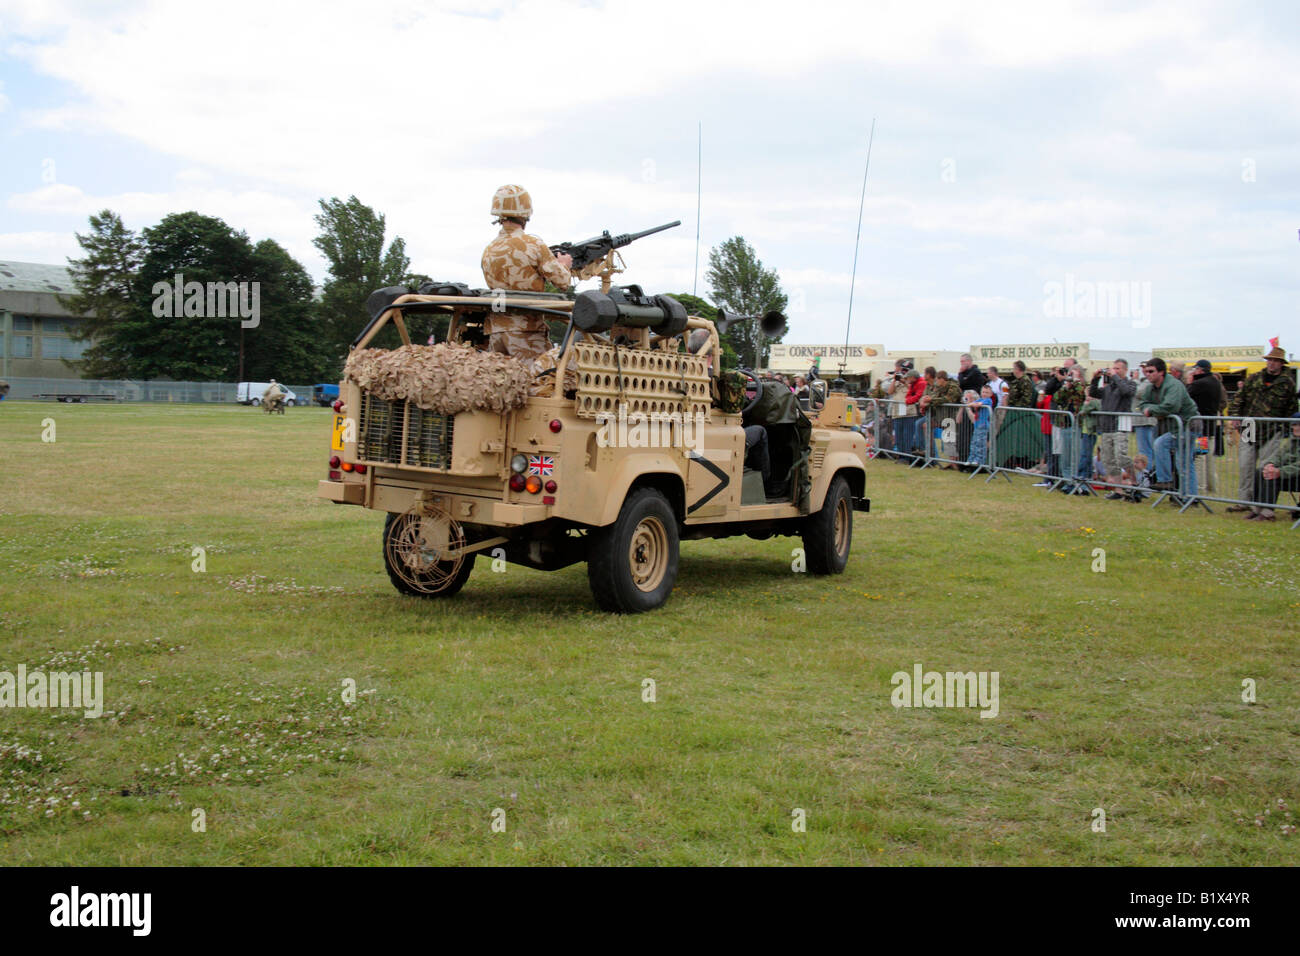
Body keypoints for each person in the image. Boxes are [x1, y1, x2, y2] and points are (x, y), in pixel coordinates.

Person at [480, 184, 573, 363]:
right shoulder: (533, 244)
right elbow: (563, 281)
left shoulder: (489, 249)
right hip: (526, 331)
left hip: (495, 330)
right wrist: (564, 264)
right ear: (525, 213)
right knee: (538, 384)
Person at [1227, 341, 1297, 511]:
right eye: (1269, 360)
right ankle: (1244, 501)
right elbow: (1238, 398)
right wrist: (1235, 416)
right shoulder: (1254, 378)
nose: (1271, 363)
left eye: (1275, 360)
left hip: (1273, 429)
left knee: (1266, 466)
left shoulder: (1287, 383)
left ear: (1281, 363)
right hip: (1249, 427)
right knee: (1245, 465)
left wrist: (1288, 428)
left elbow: (1292, 408)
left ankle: (1260, 505)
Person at [1139, 357, 1200, 495]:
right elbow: (1142, 404)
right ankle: (1186, 495)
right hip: (1174, 427)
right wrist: (1150, 409)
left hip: (1188, 425)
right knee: (1182, 462)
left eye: (1151, 371)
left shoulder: (1174, 385)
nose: (1147, 374)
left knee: (1177, 457)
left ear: (1161, 372)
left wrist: (1152, 410)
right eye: (1146, 371)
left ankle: (1169, 482)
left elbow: (1171, 406)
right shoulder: (1151, 388)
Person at [1090, 359, 1137, 497]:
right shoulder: (1108, 387)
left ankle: (1134, 482)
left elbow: (1126, 392)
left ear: (1125, 370)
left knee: (1120, 456)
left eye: (1117, 369)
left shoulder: (1130, 384)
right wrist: (1095, 379)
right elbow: (1094, 393)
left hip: (1121, 425)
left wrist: (1115, 377)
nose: (1114, 371)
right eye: (1113, 368)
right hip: (1107, 426)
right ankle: (1118, 489)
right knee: (1109, 460)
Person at [1247, 412, 1300, 521]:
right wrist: (1270, 464)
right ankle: (1257, 509)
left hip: (1296, 476)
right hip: (1289, 474)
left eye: (1298, 424)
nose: (1295, 427)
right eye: (1294, 425)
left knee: (1272, 477)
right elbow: (1279, 455)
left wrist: (1279, 471)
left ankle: (1268, 513)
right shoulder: (1292, 441)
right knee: (1260, 472)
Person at [1185, 358, 1226, 495]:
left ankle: (1199, 488)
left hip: (1201, 429)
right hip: (1212, 427)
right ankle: (1212, 487)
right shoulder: (1215, 382)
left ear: (1200, 370)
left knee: (1199, 457)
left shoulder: (1200, 383)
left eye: (1195, 369)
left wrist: (1190, 382)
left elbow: (1186, 395)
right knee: (1209, 459)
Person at [995, 361, 1040, 470]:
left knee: (1023, 439)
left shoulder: (1025, 381)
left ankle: (1025, 461)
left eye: (1014, 368)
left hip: (1021, 414)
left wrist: (1016, 408)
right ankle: (1013, 460)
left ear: (1018, 369)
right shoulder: (1016, 381)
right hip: (1014, 413)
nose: (1013, 370)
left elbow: (1027, 398)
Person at [921, 369, 962, 466]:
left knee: (950, 441)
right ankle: (931, 456)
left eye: (938, 380)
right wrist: (925, 402)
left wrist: (931, 400)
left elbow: (948, 399)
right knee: (926, 425)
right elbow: (934, 397)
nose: (936, 382)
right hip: (941, 417)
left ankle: (954, 464)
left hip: (951, 417)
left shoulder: (953, 387)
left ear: (943, 379)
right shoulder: (939, 387)